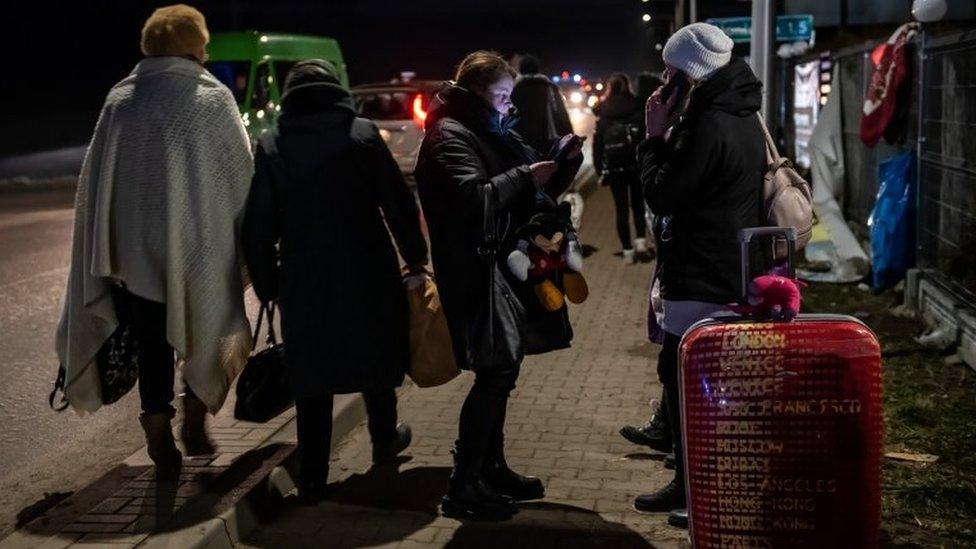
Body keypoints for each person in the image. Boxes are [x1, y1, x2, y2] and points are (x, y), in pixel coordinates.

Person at [55, 4, 253, 480]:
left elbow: (97, 182)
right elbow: (240, 174)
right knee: (207, 322)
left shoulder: (121, 99)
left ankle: (158, 428)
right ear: (196, 45)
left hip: (136, 255)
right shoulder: (212, 99)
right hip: (200, 247)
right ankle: (195, 420)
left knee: (152, 341)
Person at [243, 59, 429, 504]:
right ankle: (385, 440)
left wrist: (268, 284)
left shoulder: (272, 145)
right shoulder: (363, 134)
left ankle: (312, 474)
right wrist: (416, 257)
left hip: (305, 272)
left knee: (312, 370)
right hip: (367, 263)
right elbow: (396, 201)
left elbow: (258, 226)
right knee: (377, 351)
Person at [415, 51, 582, 520]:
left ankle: (491, 468)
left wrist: (561, 163)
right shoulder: (450, 135)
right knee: (495, 371)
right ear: (476, 92)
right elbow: (474, 200)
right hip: (476, 269)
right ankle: (464, 483)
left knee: (502, 371)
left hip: (503, 266)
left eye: (511, 95)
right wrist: (526, 175)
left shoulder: (489, 128)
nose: (509, 105)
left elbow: (533, 190)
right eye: (502, 95)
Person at [634, 23, 765, 520]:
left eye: (670, 73)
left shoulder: (707, 122)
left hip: (702, 267)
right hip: (725, 264)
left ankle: (699, 493)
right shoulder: (740, 110)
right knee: (686, 375)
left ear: (690, 74)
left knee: (688, 381)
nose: (664, 83)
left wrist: (652, 140)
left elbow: (664, 193)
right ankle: (690, 484)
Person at [592, 73, 648, 263]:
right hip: (635, 164)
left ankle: (627, 252)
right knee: (638, 204)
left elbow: (598, 144)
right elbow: (643, 136)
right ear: (627, 86)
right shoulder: (637, 105)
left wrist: (600, 169)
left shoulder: (603, 111)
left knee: (621, 208)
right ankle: (641, 243)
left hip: (615, 166)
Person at [511, 54, 575, 156]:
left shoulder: (514, 89)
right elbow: (562, 114)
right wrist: (570, 138)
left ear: (521, 69)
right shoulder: (550, 87)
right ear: (538, 69)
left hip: (522, 142)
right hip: (549, 140)